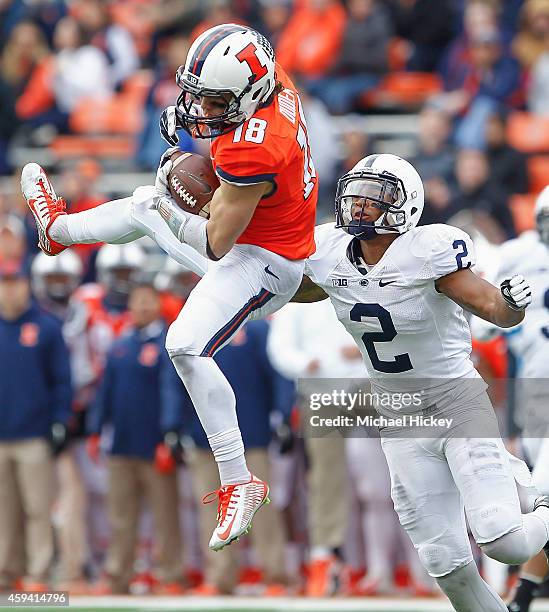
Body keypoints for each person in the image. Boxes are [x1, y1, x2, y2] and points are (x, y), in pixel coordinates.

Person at [21, 23, 317, 550]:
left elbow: (214, 244)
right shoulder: (271, 85)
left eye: (216, 99)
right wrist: (184, 159)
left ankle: (238, 480)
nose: (202, 106)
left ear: (249, 93)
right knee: (141, 204)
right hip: (264, 242)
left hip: (263, 263)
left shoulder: (257, 148)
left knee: (183, 342)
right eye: (199, 93)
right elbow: (220, 129)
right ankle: (58, 230)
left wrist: (172, 198)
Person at [291, 153, 549, 612]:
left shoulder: (428, 251)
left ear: (405, 205)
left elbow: (494, 310)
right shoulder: (329, 254)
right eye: (357, 194)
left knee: (504, 542)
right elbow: (279, 288)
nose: (360, 206)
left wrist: (512, 303)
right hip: (397, 414)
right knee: (447, 566)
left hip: (454, 401)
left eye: (376, 198)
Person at [87, 283, 183, 595]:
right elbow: (105, 392)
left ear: (158, 304)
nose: (141, 307)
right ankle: (118, 575)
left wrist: (169, 432)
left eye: (147, 301)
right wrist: (95, 427)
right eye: (137, 301)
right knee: (120, 516)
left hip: (154, 444)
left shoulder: (169, 341)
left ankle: (170, 575)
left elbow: (173, 390)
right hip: (122, 445)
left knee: (165, 515)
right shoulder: (121, 344)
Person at [0, 259, 72, 591]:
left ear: (27, 285)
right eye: (5, 283)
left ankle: (38, 573)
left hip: (34, 435)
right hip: (2, 435)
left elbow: (61, 381)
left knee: (37, 508)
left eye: (15, 282)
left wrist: (59, 421)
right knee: (5, 511)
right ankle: (5, 570)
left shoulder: (46, 327)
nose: (10, 289)